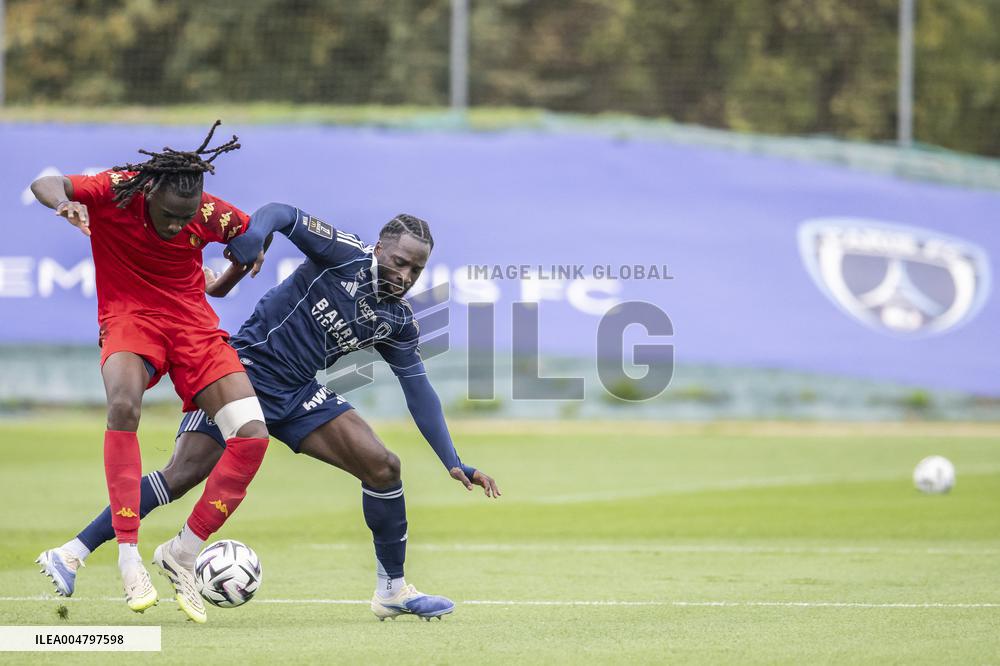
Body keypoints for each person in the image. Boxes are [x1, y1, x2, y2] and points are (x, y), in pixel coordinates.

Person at [38, 203, 500, 621]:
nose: (405, 275)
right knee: (182, 474)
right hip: (241, 371)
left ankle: (392, 591)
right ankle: (72, 552)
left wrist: (453, 460)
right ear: (379, 249)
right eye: (399, 262)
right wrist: (255, 237)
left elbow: (418, 390)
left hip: (297, 392)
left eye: (416, 269)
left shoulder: (396, 320)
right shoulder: (344, 254)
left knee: (383, 467)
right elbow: (281, 213)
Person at [31, 123, 271, 624]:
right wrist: (65, 203)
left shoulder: (207, 212)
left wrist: (236, 267)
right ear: (151, 192)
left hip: (192, 325)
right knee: (123, 405)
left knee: (251, 433)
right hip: (129, 316)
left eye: (187, 216)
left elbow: (252, 234)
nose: (178, 225)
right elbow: (45, 182)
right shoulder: (117, 188)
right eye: (169, 215)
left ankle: (184, 551)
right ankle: (128, 557)